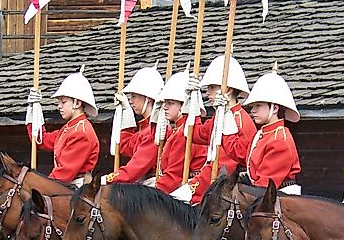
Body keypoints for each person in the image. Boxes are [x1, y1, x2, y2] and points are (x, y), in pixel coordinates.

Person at [221, 66, 301, 194]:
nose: (252, 110)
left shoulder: (280, 140)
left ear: (274, 108)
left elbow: (264, 185)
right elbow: (238, 152)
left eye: (258, 106)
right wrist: (225, 112)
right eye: (253, 106)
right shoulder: (262, 134)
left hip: (279, 199)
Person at [185, 55, 257, 196]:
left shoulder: (239, 120)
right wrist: (192, 100)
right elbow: (194, 134)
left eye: (212, 87)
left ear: (228, 89)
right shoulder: (219, 117)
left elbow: (223, 167)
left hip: (224, 192)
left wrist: (192, 189)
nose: (208, 93)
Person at [25, 69, 100, 187]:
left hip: (76, 192)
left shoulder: (81, 133)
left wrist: (38, 187)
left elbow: (62, 175)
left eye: (63, 102)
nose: (59, 106)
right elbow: (42, 140)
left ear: (77, 103)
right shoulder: (69, 128)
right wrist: (33, 111)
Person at [103, 66, 166, 185]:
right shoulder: (145, 128)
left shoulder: (155, 130)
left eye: (134, 96)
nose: (131, 100)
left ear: (147, 97)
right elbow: (125, 145)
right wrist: (126, 112)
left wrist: (106, 179)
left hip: (153, 184)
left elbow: (135, 169)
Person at [154, 70, 208, 202]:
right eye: (165, 103)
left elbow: (174, 176)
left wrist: (152, 196)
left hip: (186, 194)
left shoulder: (183, 133)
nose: (165, 107)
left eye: (170, 103)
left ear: (183, 105)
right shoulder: (178, 130)